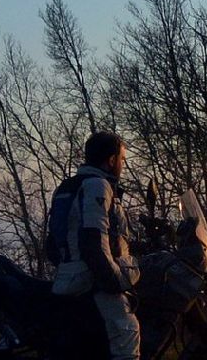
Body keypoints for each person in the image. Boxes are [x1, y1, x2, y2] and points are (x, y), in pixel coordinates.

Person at [56, 132, 141, 360]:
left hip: (69, 280)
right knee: (127, 335)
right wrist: (115, 281)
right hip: (93, 281)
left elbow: (53, 244)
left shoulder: (68, 187)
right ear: (111, 160)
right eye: (122, 159)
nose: (122, 165)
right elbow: (93, 241)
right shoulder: (97, 186)